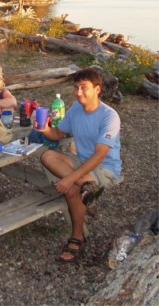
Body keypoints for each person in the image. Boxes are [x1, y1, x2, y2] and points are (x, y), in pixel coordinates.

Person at [36, 68, 122, 263]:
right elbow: (58, 134)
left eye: (84, 88)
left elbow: (100, 155)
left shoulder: (109, 116)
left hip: (105, 168)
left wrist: (70, 179)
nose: (78, 92)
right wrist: (45, 128)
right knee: (47, 156)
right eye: (76, 88)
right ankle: (87, 187)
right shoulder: (75, 108)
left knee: (71, 190)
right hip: (83, 162)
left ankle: (77, 237)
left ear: (97, 89)